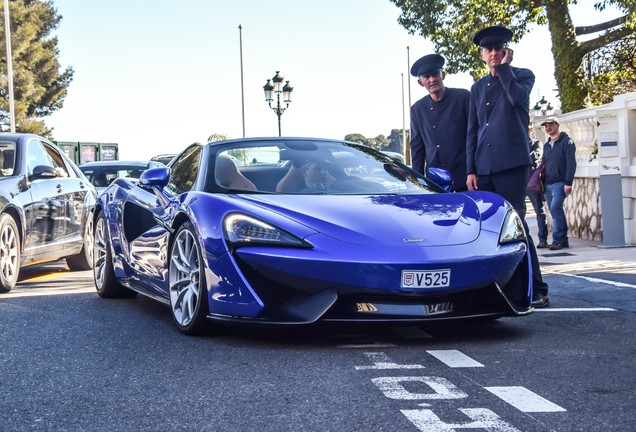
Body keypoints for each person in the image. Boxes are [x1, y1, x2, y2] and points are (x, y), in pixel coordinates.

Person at [466, 25, 550, 308]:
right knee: (486, 230)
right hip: (484, 167)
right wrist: (471, 170)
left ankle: (537, 289)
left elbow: (516, 98)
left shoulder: (522, 76)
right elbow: (473, 130)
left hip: (513, 164)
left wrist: (504, 68)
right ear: (482, 54)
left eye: (497, 49)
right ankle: (490, 290)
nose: (493, 53)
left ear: (506, 51)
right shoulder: (477, 88)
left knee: (517, 226)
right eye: (488, 50)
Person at [410, 54, 469, 191]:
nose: (432, 79)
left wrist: (474, 171)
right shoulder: (417, 109)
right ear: (420, 82)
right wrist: (418, 183)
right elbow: (417, 149)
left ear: (443, 74)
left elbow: (475, 135)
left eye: (435, 74)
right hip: (435, 182)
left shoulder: (463, 97)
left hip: (465, 177)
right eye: (426, 77)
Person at [540, 116, 577, 250]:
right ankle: (563, 240)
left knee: (556, 209)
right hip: (548, 184)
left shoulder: (567, 142)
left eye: (551, 125)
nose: (548, 127)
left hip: (560, 183)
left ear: (557, 125)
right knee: (554, 211)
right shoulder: (546, 145)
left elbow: (571, 163)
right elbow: (544, 164)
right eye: (546, 126)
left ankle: (558, 240)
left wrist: (568, 182)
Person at [527, 128, 549, 248]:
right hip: (518, 182)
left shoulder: (536, 143)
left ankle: (543, 239)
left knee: (539, 211)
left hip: (531, 182)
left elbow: (535, 159)